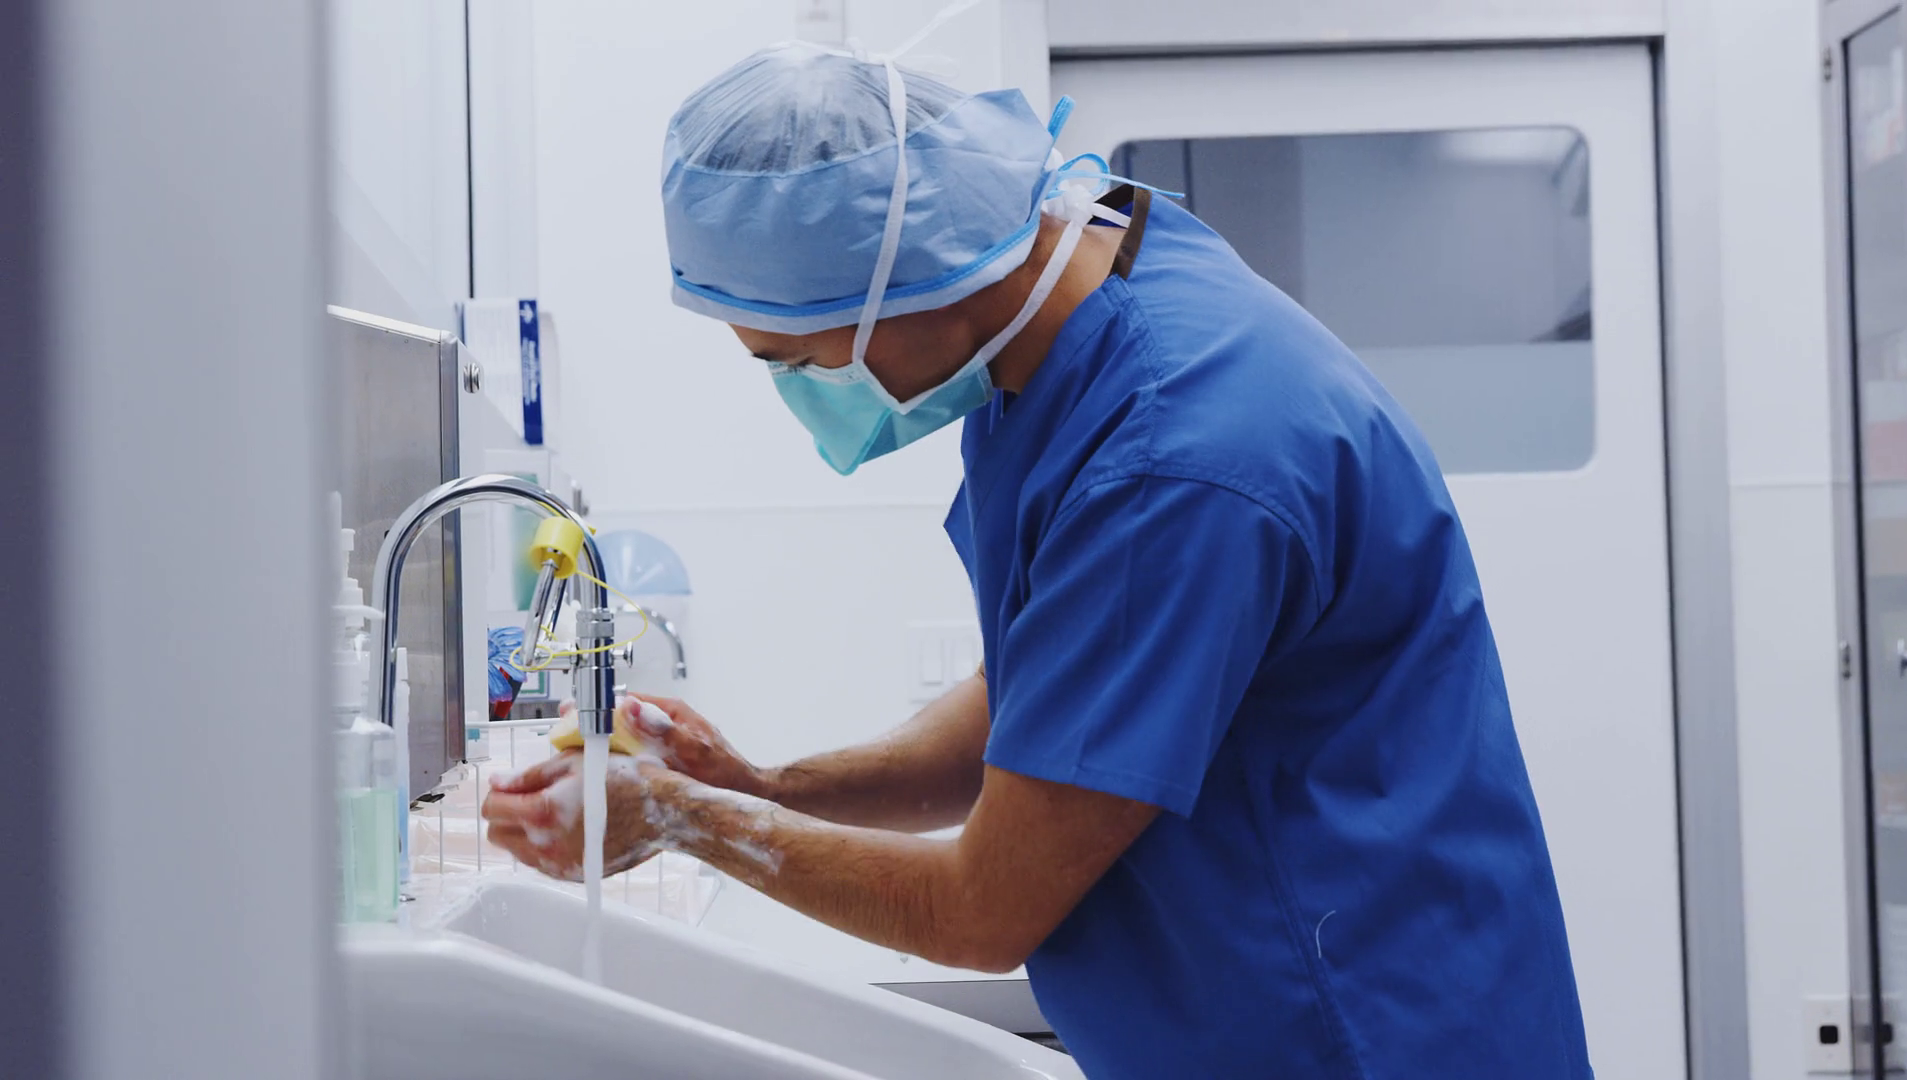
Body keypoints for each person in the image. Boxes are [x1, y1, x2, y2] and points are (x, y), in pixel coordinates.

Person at [482, 39, 1593, 1080]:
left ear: (898, 286)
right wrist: (761, 788)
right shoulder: (1072, 305)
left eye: (794, 358)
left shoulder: (1175, 462)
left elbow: (981, 911)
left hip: (1353, 1031)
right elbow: (1048, 704)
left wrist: (682, 819)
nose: (796, 392)